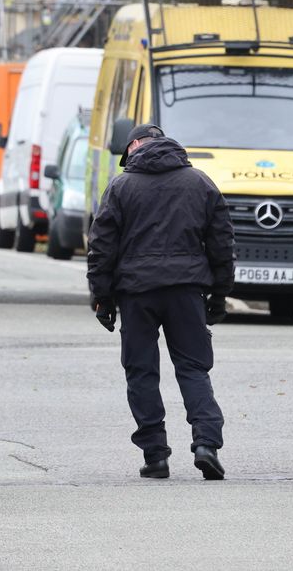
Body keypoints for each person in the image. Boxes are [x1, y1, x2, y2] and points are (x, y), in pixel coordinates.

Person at [86, 124, 233, 481]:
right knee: (194, 368)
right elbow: (222, 242)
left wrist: (101, 298)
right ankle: (206, 443)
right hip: (187, 290)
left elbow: (101, 246)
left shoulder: (122, 186)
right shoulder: (200, 182)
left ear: (134, 145)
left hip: (137, 293)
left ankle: (155, 454)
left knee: (141, 371)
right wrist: (220, 292)